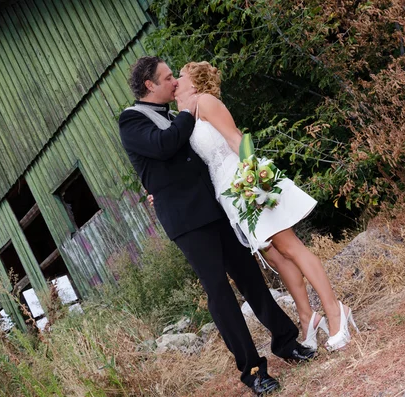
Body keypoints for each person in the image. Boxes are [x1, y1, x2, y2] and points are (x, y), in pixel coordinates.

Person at [119, 56, 316, 396]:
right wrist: (187, 112)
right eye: (168, 78)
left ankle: (285, 341)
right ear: (149, 85)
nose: (175, 82)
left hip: (216, 207)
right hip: (186, 221)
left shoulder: (172, 113)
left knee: (251, 278)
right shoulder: (131, 120)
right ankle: (253, 371)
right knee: (220, 292)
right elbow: (163, 147)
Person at [174, 61, 359, 353]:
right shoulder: (187, 115)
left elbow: (236, 138)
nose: (175, 81)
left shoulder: (206, 102)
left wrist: (253, 180)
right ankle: (307, 316)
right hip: (228, 195)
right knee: (275, 257)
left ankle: (336, 312)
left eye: (180, 76)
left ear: (194, 83)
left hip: (244, 182)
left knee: (290, 247)